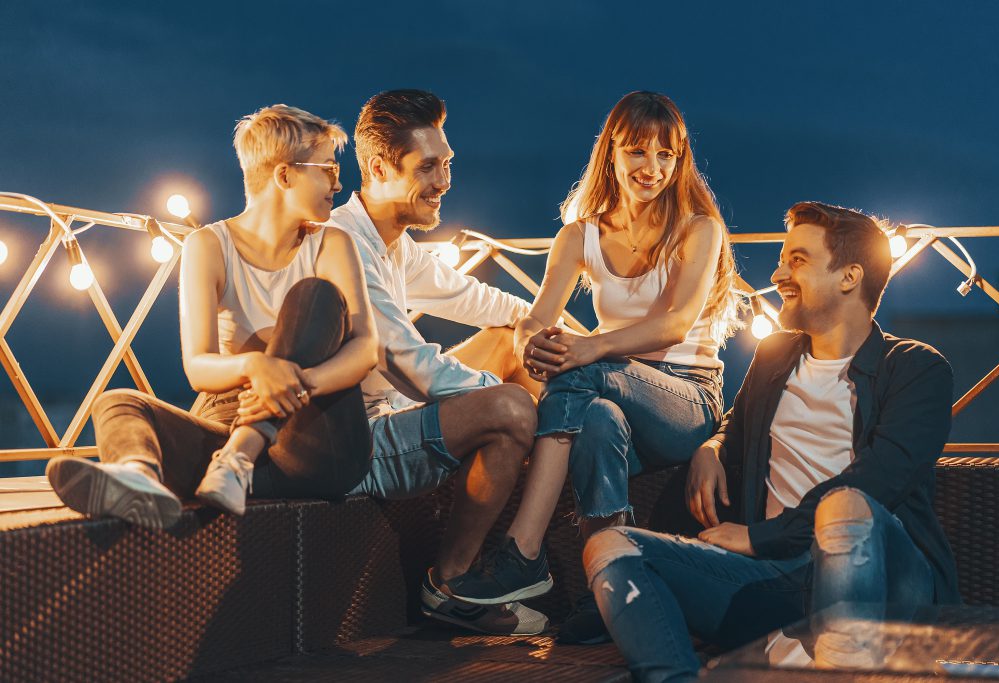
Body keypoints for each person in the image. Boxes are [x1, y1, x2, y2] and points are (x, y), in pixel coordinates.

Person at [584, 201, 960, 682]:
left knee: (845, 507)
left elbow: (879, 481)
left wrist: (762, 536)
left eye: (797, 260)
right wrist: (712, 447)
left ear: (849, 277)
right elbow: (735, 427)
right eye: (783, 258)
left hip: (883, 582)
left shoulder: (916, 368)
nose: (779, 273)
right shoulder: (774, 355)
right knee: (611, 547)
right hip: (775, 580)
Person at [444, 91, 742, 646]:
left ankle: (524, 551)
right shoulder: (580, 235)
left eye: (665, 155)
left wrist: (585, 349)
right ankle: (610, 590)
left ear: (679, 162)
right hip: (612, 395)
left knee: (579, 370)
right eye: (636, 152)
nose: (651, 168)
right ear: (610, 154)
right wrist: (536, 342)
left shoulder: (698, 228)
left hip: (686, 400)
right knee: (597, 418)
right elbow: (534, 319)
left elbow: (675, 324)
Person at [47, 105, 378, 529]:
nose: (338, 182)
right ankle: (139, 478)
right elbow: (198, 367)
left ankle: (239, 457)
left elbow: (365, 348)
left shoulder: (332, 244)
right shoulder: (209, 245)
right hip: (224, 447)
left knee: (313, 295)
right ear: (284, 176)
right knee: (117, 401)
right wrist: (255, 365)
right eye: (328, 170)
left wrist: (294, 384)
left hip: (317, 446)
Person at [327, 89, 547, 636]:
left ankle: (530, 532)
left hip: (396, 412)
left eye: (447, 164)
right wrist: (500, 399)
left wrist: (570, 337)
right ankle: (450, 583)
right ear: (379, 168)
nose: (445, 182)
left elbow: (487, 303)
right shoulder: (342, 244)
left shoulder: (397, 245)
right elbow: (410, 367)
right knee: (513, 409)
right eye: (428, 167)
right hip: (359, 444)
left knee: (510, 337)